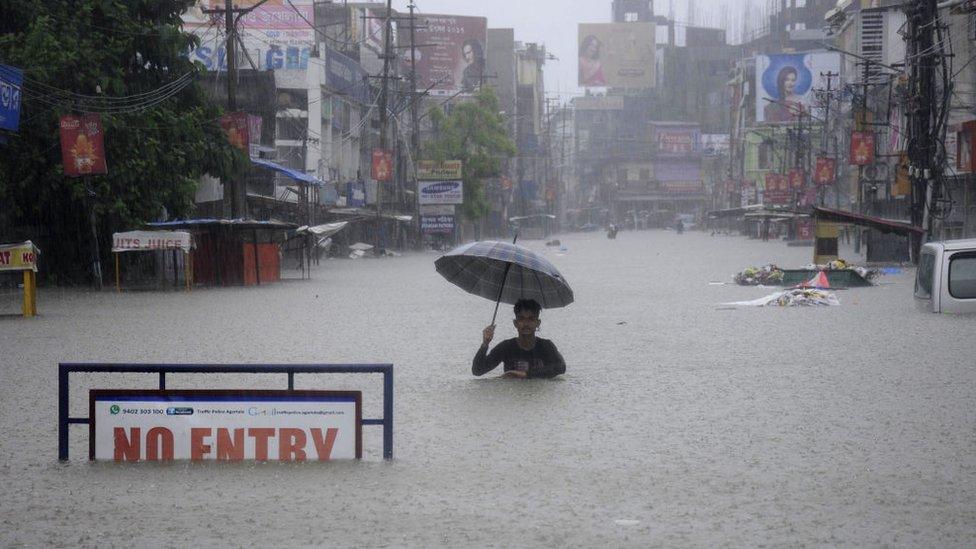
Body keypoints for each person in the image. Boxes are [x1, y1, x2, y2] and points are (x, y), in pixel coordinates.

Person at [473, 298, 566, 379]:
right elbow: (477, 371)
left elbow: (561, 368)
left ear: (538, 323)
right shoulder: (506, 347)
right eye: (521, 319)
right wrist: (485, 343)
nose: (526, 324)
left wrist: (526, 375)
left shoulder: (546, 346)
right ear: (515, 323)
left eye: (531, 319)